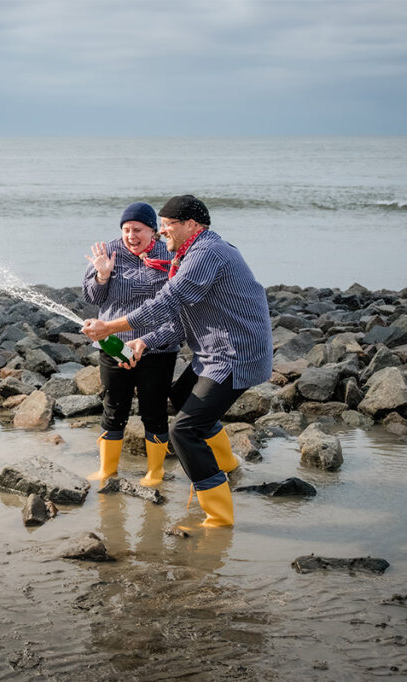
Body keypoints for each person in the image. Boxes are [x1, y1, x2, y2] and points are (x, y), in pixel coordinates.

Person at [82, 195, 272, 528]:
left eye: (167, 225)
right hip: (211, 353)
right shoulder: (189, 253)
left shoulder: (207, 253)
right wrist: (144, 340)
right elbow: (181, 314)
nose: (162, 232)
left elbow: (169, 301)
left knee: (183, 432)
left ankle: (219, 517)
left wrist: (110, 328)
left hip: (234, 355)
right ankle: (226, 464)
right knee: (180, 398)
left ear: (192, 225)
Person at [82, 202, 178, 486]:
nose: (131, 236)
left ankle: (155, 471)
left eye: (137, 229)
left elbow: (178, 304)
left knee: (155, 410)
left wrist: (147, 342)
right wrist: (102, 274)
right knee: (114, 406)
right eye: (126, 230)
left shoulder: (170, 254)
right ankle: (107, 470)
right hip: (113, 344)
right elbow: (92, 298)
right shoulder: (109, 251)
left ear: (154, 231)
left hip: (157, 345)